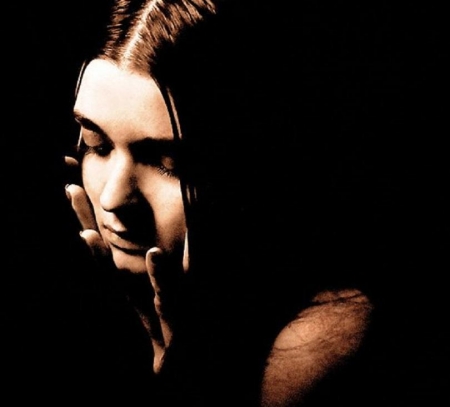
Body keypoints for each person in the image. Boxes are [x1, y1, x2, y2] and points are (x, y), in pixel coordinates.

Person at [64, 0, 373, 405]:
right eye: (96, 144)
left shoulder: (321, 339)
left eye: (170, 164)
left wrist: (189, 375)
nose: (112, 198)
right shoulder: (109, 303)